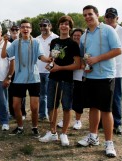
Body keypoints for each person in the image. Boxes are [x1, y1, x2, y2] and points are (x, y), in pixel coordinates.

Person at [77, 5, 122, 158]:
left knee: (106, 110)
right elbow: (85, 56)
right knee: (93, 108)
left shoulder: (108, 30)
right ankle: (93, 137)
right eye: (85, 15)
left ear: (97, 15)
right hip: (90, 77)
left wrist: (97, 59)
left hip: (106, 76)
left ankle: (109, 143)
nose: (87, 17)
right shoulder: (84, 36)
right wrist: (86, 65)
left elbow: (118, 50)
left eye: (90, 14)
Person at [38, 16, 80, 146]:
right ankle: (53, 132)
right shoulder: (55, 41)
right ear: (58, 26)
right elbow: (52, 58)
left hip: (67, 80)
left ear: (70, 27)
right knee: (52, 106)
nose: (64, 26)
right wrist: (50, 64)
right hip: (53, 79)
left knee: (66, 107)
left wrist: (60, 68)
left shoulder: (73, 44)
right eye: (62, 23)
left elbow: (77, 64)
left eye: (66, 24)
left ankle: (64, 134)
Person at [3, 20, 44, 137]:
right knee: (16, 105)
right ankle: (20, 127)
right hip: (19, 78)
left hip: (34, 78)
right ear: (20, 30)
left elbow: (41, 56)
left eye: (27, 27)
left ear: (31, 29)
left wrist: (49, 59)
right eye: (23, 27)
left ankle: (35, 128)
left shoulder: (36, 42)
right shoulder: (16, 43)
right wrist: (5, 41)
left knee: (34, 107)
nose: (25, 29)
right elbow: (4, 54)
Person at [104, 7, 122, 136]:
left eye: (112, 17)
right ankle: (101, 122)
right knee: (102, 98)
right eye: (108, 17)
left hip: (116, 72)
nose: (110, 19)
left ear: (117, 18)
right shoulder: (101, 30)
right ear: (104, 18)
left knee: (115, 98)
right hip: (102, 71)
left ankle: (117, 123)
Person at [57, 28, 84, 130]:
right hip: (68, 76)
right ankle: (65, 119)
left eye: (79, 35)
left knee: (78, 100)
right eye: (75, 35)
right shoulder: (69, 46)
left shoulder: (84, 47)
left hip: (79, 77)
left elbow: (83, 64)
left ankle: (78, 120)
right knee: (65, 100)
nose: (76, 37)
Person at [36, 18, 59, 121]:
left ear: (50, 26)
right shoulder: (36, 39)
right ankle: (42, 114)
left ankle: (51, 115)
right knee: (42, 95)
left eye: (45, 25)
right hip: (38, 70)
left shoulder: (56, 38)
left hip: (51, 71)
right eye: (41, 26)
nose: (43, 28)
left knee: (51, 95)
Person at [7, 23, 27, 121]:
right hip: (11, 71)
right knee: (11, 93)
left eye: (16, 31)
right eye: (12, 31)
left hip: (22, 71)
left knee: (21, 93)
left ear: (19, 31)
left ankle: (22, 112)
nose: (15, 33)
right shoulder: (7, 43)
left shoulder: (24, 41)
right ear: (10, 32)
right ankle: (12, 113)